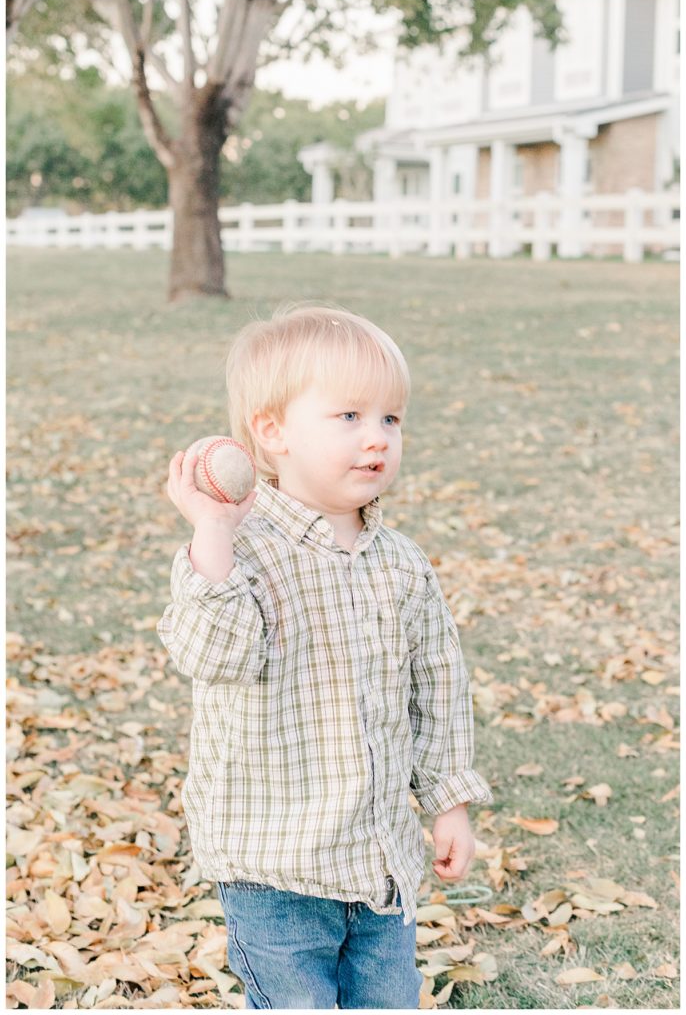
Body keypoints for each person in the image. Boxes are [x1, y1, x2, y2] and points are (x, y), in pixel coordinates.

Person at [157, 303, 493, 1009]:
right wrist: (213, 531)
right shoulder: (241, 552)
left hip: (379, 861)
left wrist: (450, 804)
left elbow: (438, 686)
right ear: (271, 433)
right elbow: (210, 654)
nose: (377, 439)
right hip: (273, 865)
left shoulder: (401, 564)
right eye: (348, 418)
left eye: (390, 420)